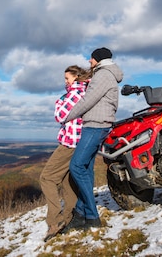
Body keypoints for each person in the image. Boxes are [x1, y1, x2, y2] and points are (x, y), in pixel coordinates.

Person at [63, 47, 123, 231]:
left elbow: (88, 99)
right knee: (86, 168)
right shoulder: (103, 74)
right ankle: (81, 215)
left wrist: (68, 116)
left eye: (91, 58)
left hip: (96, 125)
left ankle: (92, 216)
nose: (89, 61)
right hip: (97, 123)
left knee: (76, 166)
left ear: (98, 59)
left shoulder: (103, 74)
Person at [39, 65, 92, 242]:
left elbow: (60, 116)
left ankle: (55, 220)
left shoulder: (75, 93)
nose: (65, 82)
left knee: (47, 178)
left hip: (70, 142)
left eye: (67, 79)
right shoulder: (85, 91)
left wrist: (59, 102)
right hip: (79, 142)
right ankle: (69, 218)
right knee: (67, 181)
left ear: (76, 78)